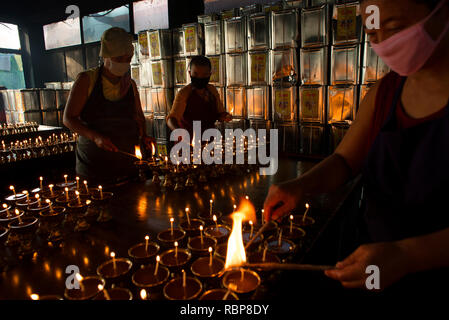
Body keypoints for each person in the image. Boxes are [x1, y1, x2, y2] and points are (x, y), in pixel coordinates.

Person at [263, 0, 449, 293]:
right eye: (372, 33)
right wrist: (300, 186)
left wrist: (408, 255)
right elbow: (345, 161)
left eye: (395, 28)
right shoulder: (385, 92)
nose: (382, 43)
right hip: (369, 263)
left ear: (443, 12)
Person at [64, 27, 154, 185]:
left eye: (128, 58)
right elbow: (68, 119)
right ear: (106, 56)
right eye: (119, 59)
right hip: (94, 165)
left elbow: (138, 117)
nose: (124, 63)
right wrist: (95, 137)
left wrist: (144, 136)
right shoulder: (86, 80)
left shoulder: (130, 84)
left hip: (127, 164)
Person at [166, 56, 232, 140]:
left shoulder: (212, 91)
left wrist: (226, 116)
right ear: (190, 74)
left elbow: (220, 114)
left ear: (209, 74)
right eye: (196, 74)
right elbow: (171, 119)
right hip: (188, 142)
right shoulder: (184, 93)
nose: (200, 78)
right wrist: (178, 131)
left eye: (204, 75)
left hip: (209, 140)